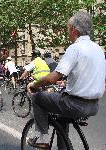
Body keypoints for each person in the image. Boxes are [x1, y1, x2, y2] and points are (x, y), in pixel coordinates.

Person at [27, 11, 106, 149]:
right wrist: (66, 83)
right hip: (93, 106)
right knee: (61, 120)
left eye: (68, 29)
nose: (68, 32)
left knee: (37, 98)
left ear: (74, 29)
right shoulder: (98, 49)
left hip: (75, 104)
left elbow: (52, 77)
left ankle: (42, 138)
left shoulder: (75, 48)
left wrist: (33, 84)